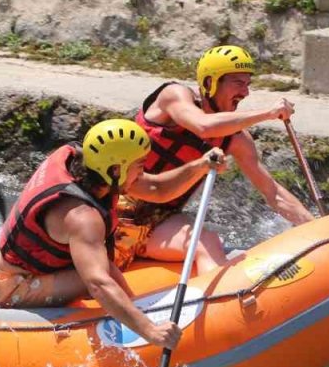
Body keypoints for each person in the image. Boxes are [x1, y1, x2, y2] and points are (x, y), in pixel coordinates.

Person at [0, 119, 223, 348]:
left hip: (19, 269)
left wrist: (200, 166)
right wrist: (150, 331)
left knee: (110, 272)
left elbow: (156, 189)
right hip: (13, 290)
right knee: (105, 274)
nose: (143, 171)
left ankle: (137, 312)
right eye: (139, 165)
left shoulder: (90, 167)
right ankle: (138, 323)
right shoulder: (82, 218)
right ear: (117, 169)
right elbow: (98, 284)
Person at [113, 44, 314, 275]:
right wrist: (268, 114)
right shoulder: (173, 96)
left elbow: (273, 193)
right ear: (210, 83)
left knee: (207, 242)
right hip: (113, 214)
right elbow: (203, 126)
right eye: (238, 82)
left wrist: (317, 229)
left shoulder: (237, 139)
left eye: (248, 84)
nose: (245, 92)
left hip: (158, 224)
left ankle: (224, 304)